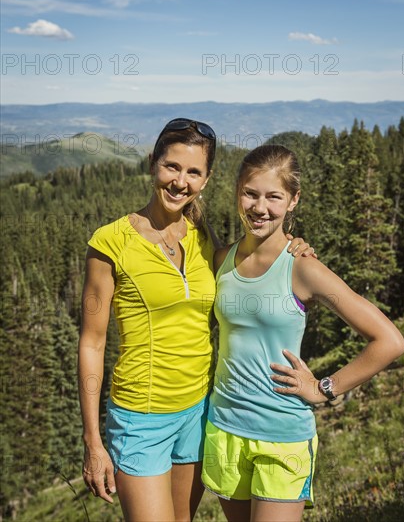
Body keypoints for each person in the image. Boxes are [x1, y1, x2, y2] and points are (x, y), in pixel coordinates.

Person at [78, 119, 314, 522]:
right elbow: (91, 343)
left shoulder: (199, 235)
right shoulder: (110, 243)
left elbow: (244, 269)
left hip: (200, 412)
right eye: (172, 166)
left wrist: (292, 245)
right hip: (141, 417)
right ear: (153, 163)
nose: (179, 182)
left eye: (193, 172)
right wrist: (93, 440)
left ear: (206, 180)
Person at [201, 144, 404, 522]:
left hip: (282, 435)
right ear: (236, 193)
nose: (260, 208)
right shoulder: (222, 260)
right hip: (224, 430)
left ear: (293, 200)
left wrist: (323, 388)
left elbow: (390, 341)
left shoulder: (302, 268)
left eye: (273, 197)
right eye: (250, 193)